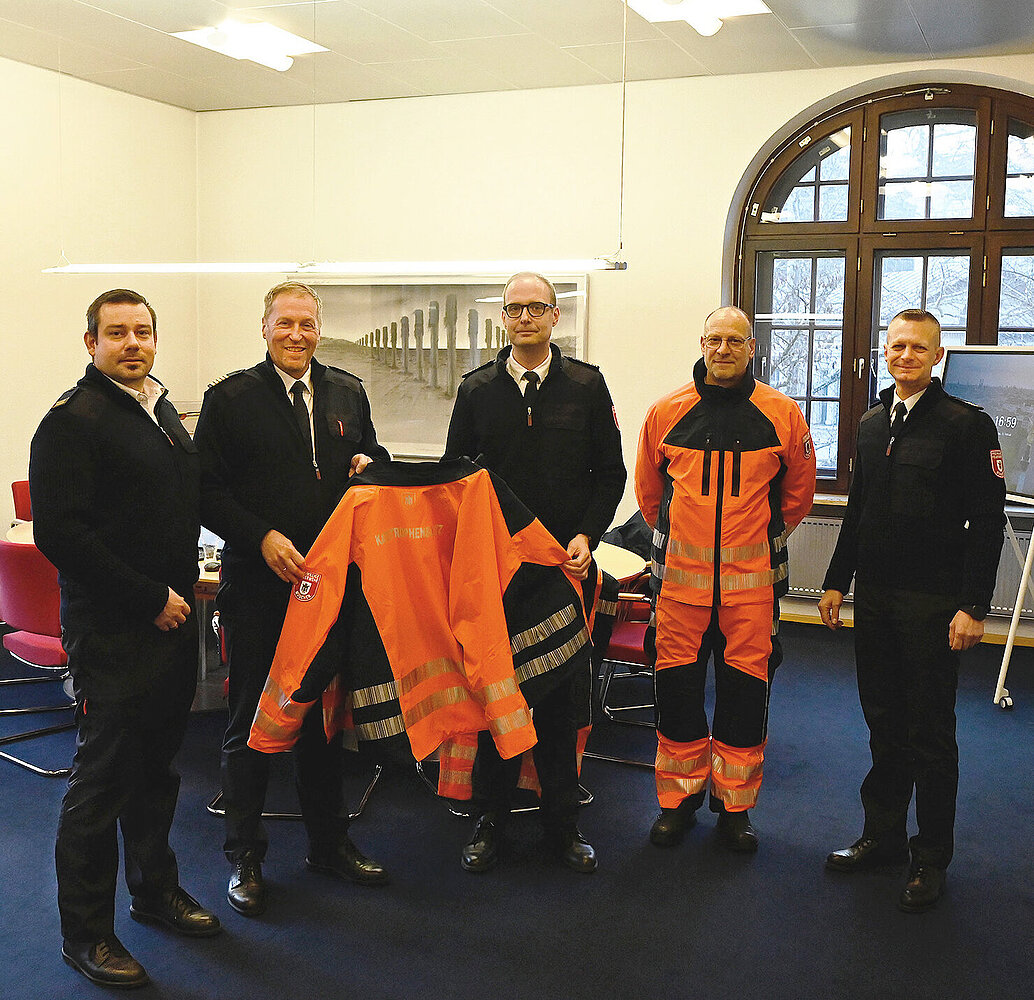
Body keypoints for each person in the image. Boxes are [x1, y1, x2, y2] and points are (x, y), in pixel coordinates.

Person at [30, 289, 220, 990]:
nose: (133, 343)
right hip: (115, 631)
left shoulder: (159, 409)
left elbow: (179, 503)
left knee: (156, 772)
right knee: (102, 782)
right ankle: (85, 935)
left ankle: (154, 891)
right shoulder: (71, 422)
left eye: (143, 331)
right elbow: (61, 535)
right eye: (117, 333)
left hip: (170, 622)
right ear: (92, 343)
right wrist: (150, 598)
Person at [193, 281, 390, 917]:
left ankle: (328, 844)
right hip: (257, 587)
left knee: (321, 724)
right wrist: (260, 537)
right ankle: (244, 856)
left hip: (328, 590)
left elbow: (374, 454)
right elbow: (206, 491)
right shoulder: (229, 398)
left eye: (307, 323)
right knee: (250, 721)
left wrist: (370, 462)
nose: (297, 335)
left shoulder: (347, 391)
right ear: (265, 327)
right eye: (285, 323)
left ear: (318, 328)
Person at [819, 308, 1006, 912]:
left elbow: (988, 523)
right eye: (897, 346)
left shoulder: (966, 425)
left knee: (930, 734)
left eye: (918, 348)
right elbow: (858, 511)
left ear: (937, 354)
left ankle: (931, 857)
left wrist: (974, 605)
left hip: (933, 604)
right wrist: (835, 582)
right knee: (883, 722)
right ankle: (882, 836)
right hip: (876, 599)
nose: (906, 356)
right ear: (885, 349)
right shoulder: (873, 423)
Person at [444, 271, 626, 874]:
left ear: (554, 317)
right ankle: (490, 820)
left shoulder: (587, 385)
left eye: (536, 308)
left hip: (563, 570)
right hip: (499, 576)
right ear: (503, 317)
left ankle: (562, 825)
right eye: (514, 308)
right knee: (497, 699)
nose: (525, 317)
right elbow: (455, 478)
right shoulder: (476, 390)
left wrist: (587, 535)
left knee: (561, 707)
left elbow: (611, 475)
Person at [635, 306, 816, 853]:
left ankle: (735, 810)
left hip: (751, 592)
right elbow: (649, 496)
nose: (724, 349)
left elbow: (797, 496)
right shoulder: (666, 413)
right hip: (679, 591)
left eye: (735, 340)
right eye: (715, 339)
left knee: (745, 699)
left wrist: (754, 541)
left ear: (752, 347)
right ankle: (677, 803)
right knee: (677, 696)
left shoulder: (782, 415)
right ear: (702, 343)